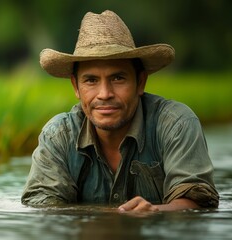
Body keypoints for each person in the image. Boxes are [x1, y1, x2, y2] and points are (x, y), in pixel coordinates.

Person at [21, 10, 219, 212]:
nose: (104, 94)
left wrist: (154, 212)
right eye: (91, 80)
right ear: (75, 87)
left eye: (118, 78)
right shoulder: (58, 136)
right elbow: (42, 205)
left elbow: (198, 202)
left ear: (140, 82)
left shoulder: (176, 124)